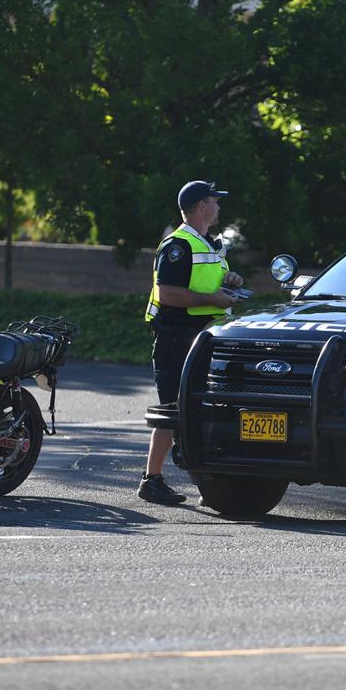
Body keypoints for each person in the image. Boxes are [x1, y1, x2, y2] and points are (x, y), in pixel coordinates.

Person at [139, 180, 243, 504]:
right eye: (215, 201)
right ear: (201, 206)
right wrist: (212, 297)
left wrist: (230, 281)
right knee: (174, 410)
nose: (219, 206)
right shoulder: (177, 245)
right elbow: (167, 293)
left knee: (201, 410)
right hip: (175, 340)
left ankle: (209, 484)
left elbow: (208, 280)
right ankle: (151, 480)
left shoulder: (211, 244)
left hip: (202, 338)